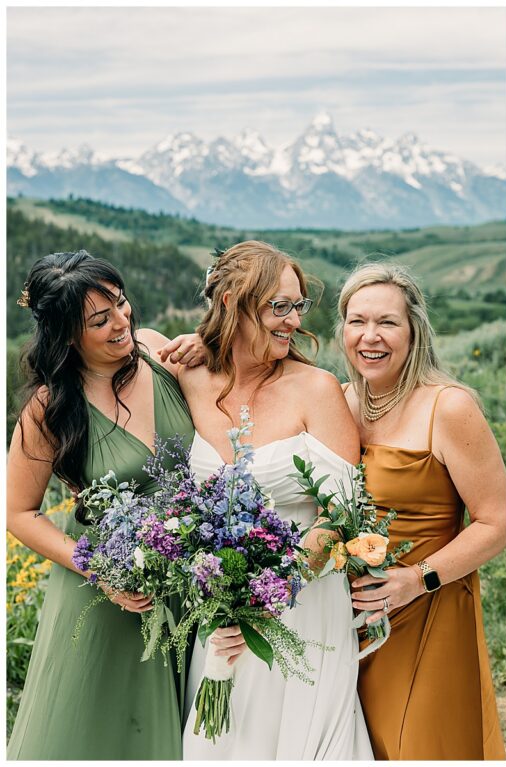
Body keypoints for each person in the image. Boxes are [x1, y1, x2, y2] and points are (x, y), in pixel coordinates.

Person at [177, 241, 373, 760]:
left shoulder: (317, 389)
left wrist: (269, 591)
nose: (291, 320)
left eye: (297, 305)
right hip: (218, 610)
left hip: (302, 607)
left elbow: (343, 514)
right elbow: (133, 346)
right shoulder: (189, 377)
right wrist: (227, 602)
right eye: (277, 306)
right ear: (230, 307)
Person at [6, 250, 198, 759]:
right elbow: (19, 513)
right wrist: (101, 572)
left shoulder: (159, 352)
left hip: (192, 581)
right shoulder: (51, 408)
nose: (122, 322)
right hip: (109, 593)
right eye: (100, 319)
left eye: (121, 302)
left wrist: (210, 347)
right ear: (67, 333)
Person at [338, 262, 506, 760]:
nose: (371, 336)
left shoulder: (448, 407)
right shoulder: (339, 401)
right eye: (357, 321)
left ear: (414, 331)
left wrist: (417, 580)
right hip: (350, 619)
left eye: (387, 322)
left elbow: (496, 523)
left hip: (428, 608)